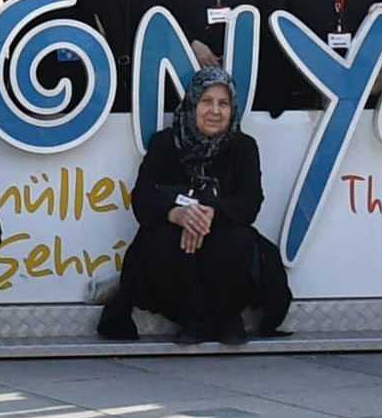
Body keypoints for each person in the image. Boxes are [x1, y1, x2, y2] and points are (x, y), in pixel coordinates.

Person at [103, 69, 289, 344]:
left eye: (223, 103)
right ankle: (193, 318)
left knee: (234, 238)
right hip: (174, 240)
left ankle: (227, 316)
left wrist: (210, 213)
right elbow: (142, 198)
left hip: (222, 234)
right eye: (206, 101)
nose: (215, 111)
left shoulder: (243, 146)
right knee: (161, 239)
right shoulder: (166, 143)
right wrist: (176, 214)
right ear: (192, 104)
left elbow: (250, 202)